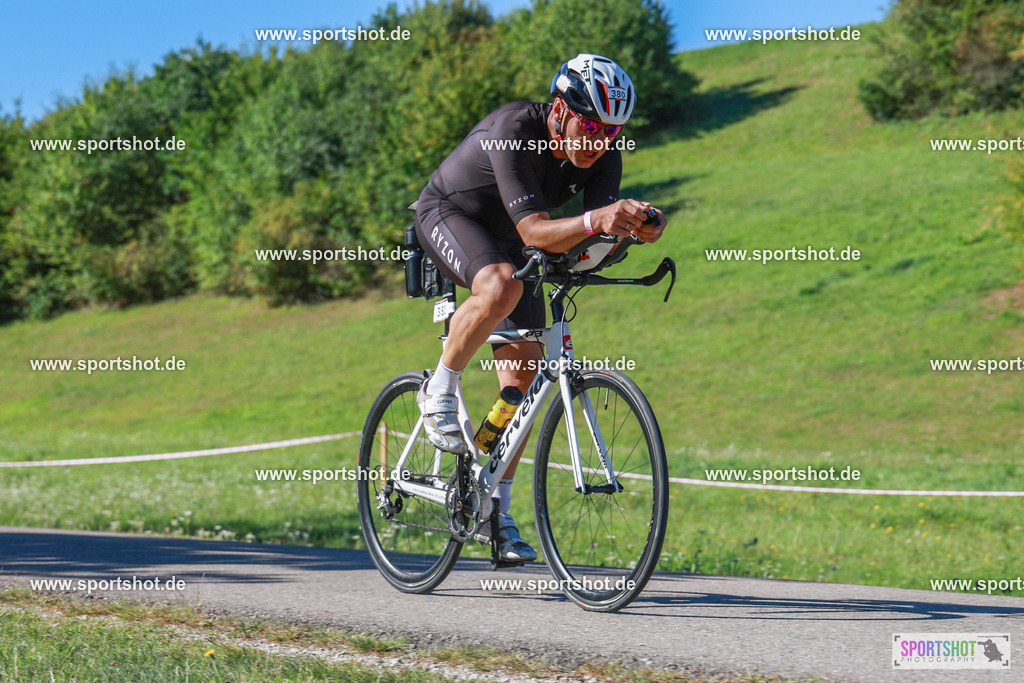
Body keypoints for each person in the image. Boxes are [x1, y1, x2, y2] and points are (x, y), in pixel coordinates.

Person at [413, 53, 667, 562]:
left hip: (515, 244)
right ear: (560, 110)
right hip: (451, 214)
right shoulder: (514, 131)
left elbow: (581, 242)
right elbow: (537, 231)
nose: (600, 142)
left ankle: (492, 510)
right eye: (591, 126)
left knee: (519, 388)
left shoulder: (603, 157)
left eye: (612, 133)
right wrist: (599, 220)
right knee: (500, 285)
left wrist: (633, 233)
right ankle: (438, 387)